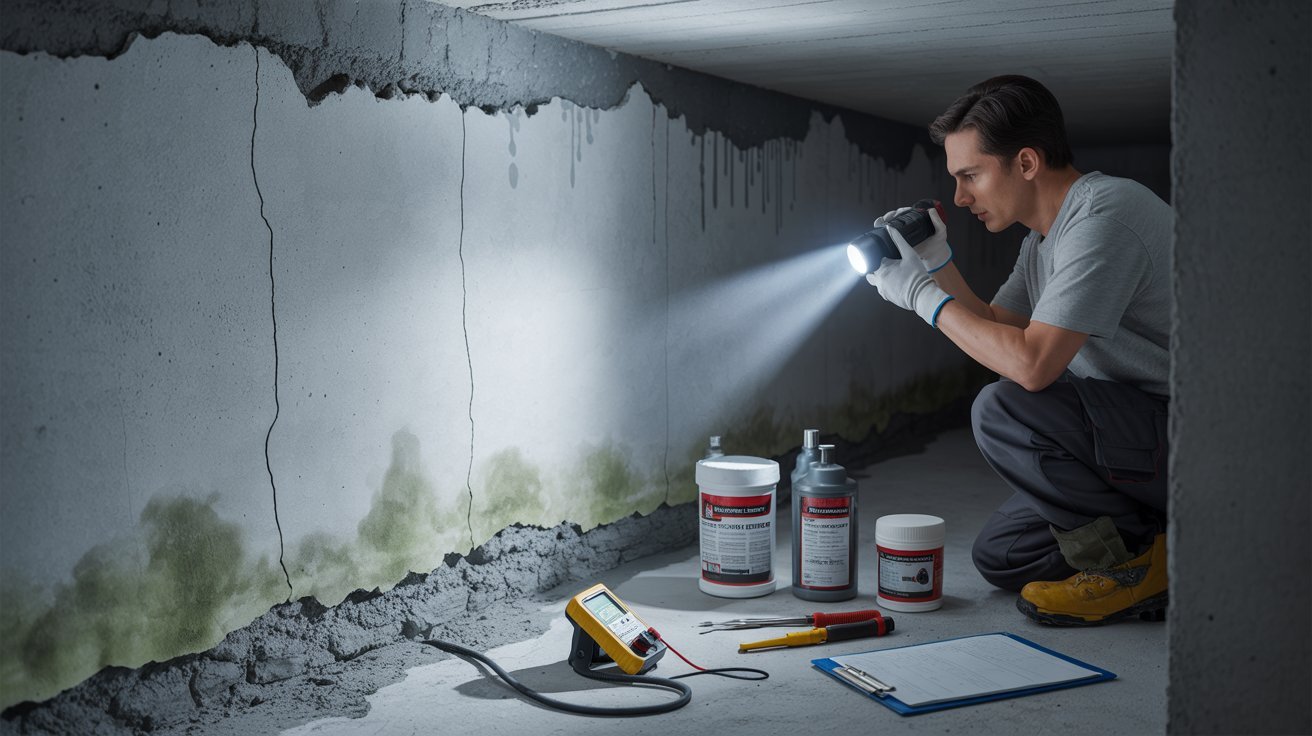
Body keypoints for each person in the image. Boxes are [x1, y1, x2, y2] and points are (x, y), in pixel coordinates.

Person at [867, 75, 1172, 626]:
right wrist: (935, 262)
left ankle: (1133, 568)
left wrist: (919, 295)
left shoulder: (1105, 217)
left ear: (1026, 163)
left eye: (970, 176)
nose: (960, 197)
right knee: (1004, 555)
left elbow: (1029, 365)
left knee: (1001, 407)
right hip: (1134, 438)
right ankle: (1170, 545)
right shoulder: (1043, 240)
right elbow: (993, 328)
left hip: (1188, 442)